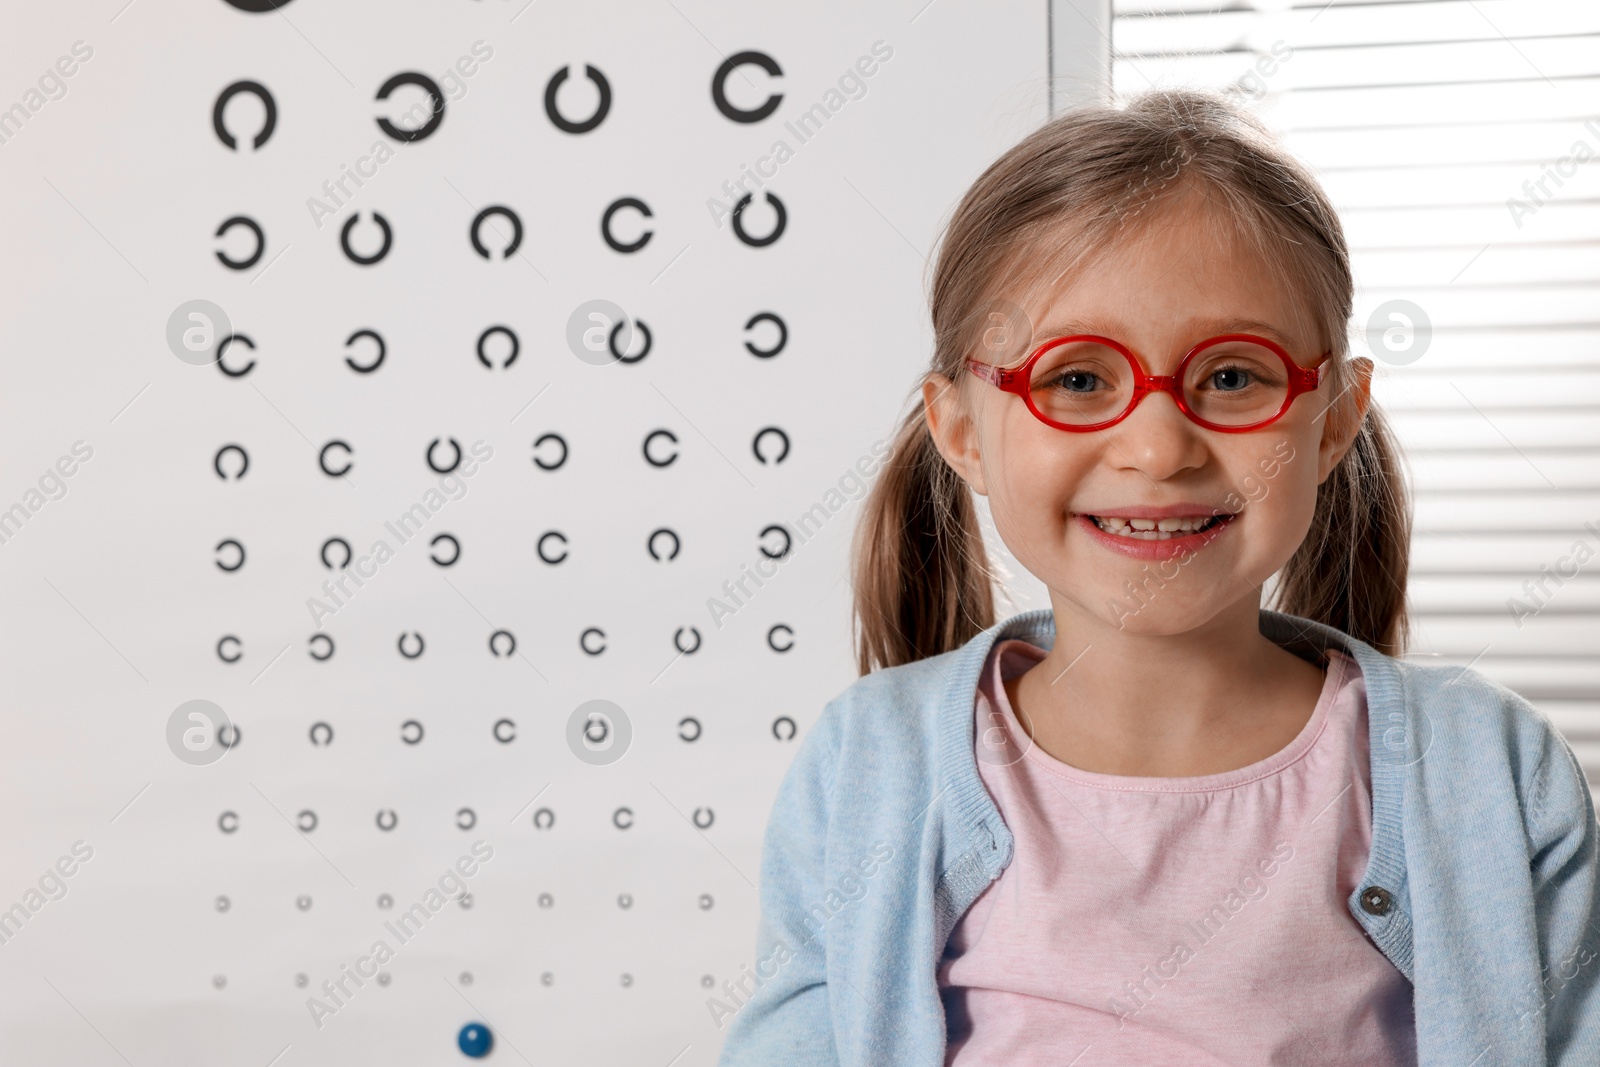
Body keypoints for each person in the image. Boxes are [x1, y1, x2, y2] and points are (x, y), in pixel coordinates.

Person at [713, 88, 1600, 1065]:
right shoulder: (860, 769)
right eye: (1078, 378)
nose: (1157, 446)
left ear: (1335, 417)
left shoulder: (1492, 769)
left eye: (1231, 375)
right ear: (962, 427)